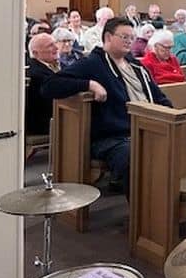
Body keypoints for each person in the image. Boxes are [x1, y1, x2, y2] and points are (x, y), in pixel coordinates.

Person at [42, 17, 171, 196]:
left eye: (131, 37)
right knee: (134, 154)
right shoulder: (94, 63)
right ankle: (145, 216)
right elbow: (49, 85)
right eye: (124, 36)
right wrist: (89, 84)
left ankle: (164, 205)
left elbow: (158, 96)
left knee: (175, 142)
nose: (129, 41)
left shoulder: (135, 65)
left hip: (146, 126)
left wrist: (170, 115)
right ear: (108, 37)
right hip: (113, 137)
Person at [26, 33, 64, 136]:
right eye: (50, 45)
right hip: (44, 124)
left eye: (55, 43)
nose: (56, 47)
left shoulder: (53, 66)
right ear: (35, 53)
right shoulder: (36, 72)